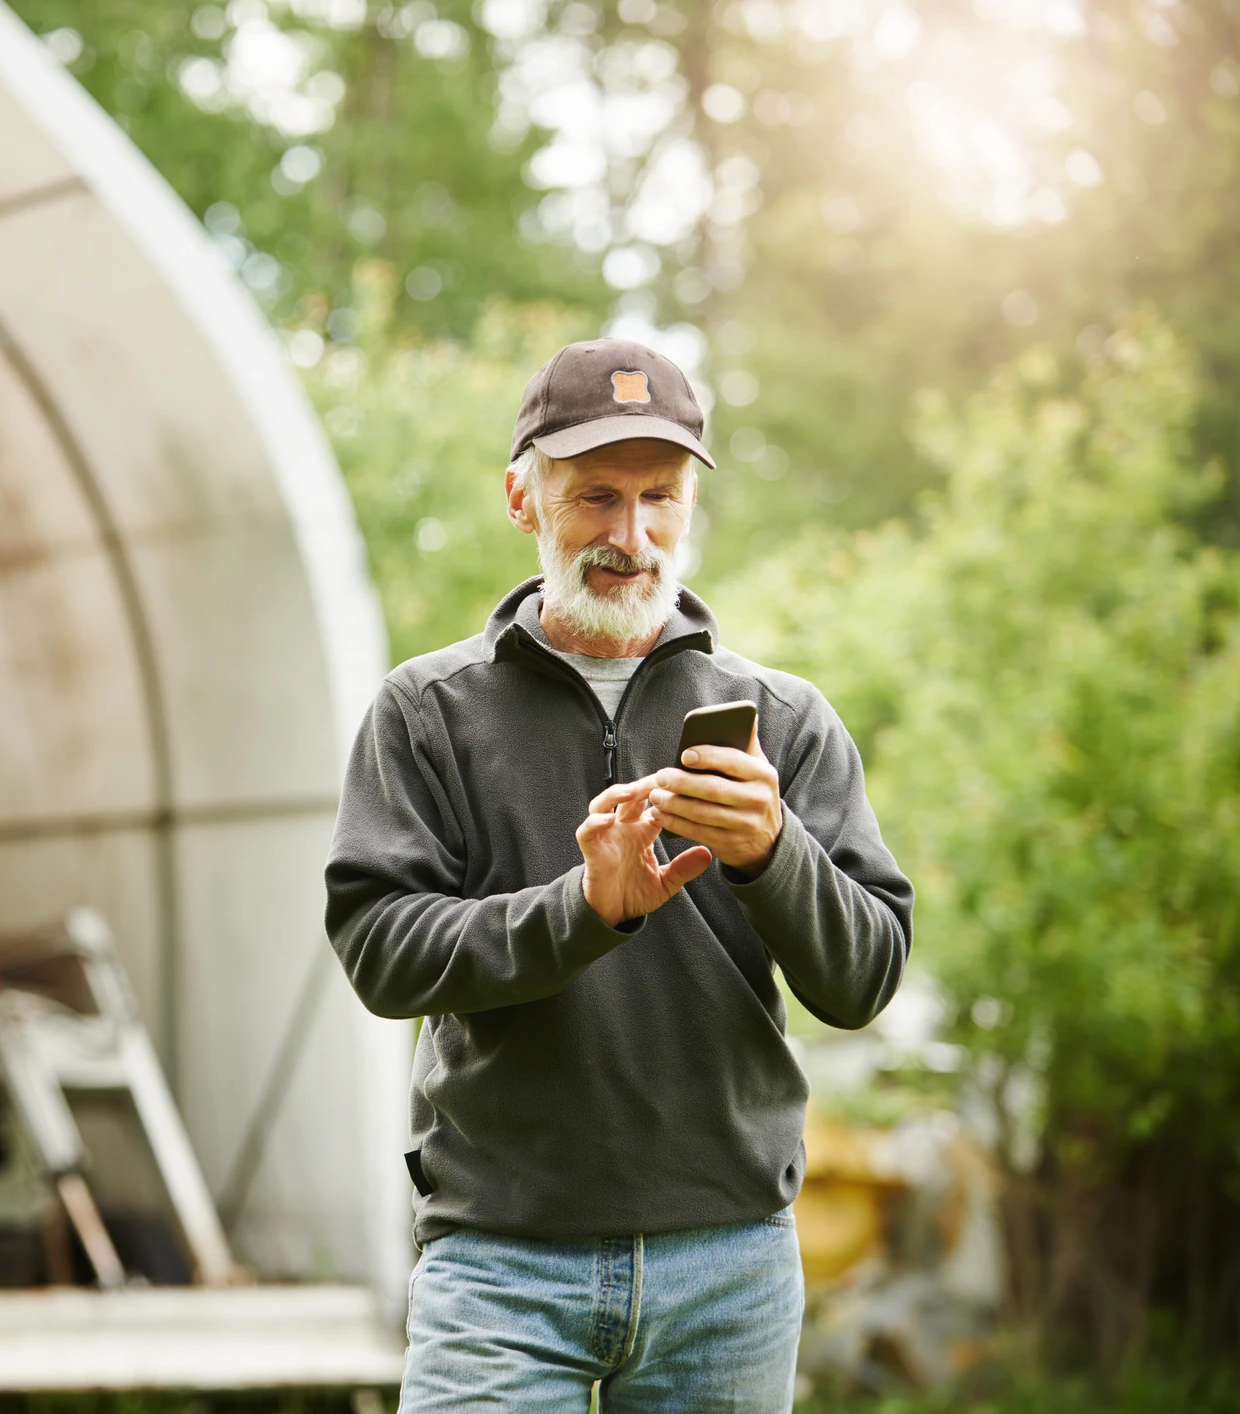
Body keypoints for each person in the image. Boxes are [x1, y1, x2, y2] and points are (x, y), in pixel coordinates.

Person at [325, 337, 914, 1411]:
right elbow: (380, 955)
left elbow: (863, 979)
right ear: (522, 496)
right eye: (594, 495)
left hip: (727, 1267)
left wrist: (771, 855)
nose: (628, 535)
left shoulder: (783, 722)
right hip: (499, 1266)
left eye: (659, 497)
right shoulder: (426, 714)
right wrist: (584, 908)